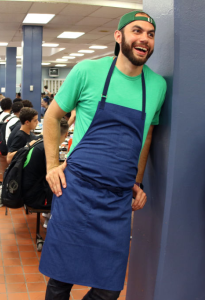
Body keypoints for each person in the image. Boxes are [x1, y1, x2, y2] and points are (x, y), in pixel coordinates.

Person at [40, 11, 165, 300]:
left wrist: (137, 181)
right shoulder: (88, 71)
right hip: (76, 191)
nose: (144, 38)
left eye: (150, 33)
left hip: (117, 201)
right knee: (60, 282)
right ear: (119, 36)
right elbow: (52, 116)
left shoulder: (157, 86)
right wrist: (51, 165)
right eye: (137, 31)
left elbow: (145, 136)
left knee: (109, 289)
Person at [22, 118, 69, 227]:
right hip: (34, 197)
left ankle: (48, 215)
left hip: (28, 191)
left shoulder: (41, 143)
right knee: (65, 186)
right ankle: (53, 222)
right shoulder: (48, 150)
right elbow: (55, 174)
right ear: (66, 134)